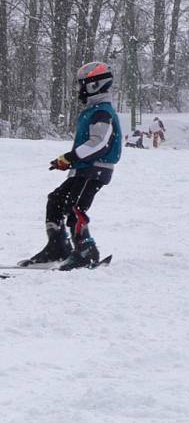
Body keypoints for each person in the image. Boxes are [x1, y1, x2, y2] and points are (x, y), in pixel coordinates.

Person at [20, 61, 122, 269]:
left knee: (75, 206)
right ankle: (57, 246)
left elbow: (99, 143)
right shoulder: (92, 110)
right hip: (84, 168)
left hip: (97, 169)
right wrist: (68, 161)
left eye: (82, 84)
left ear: (95, 85)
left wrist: (71, 156)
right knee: (56, 200)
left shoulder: (102, 112)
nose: (80, 89)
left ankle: (86, 250)